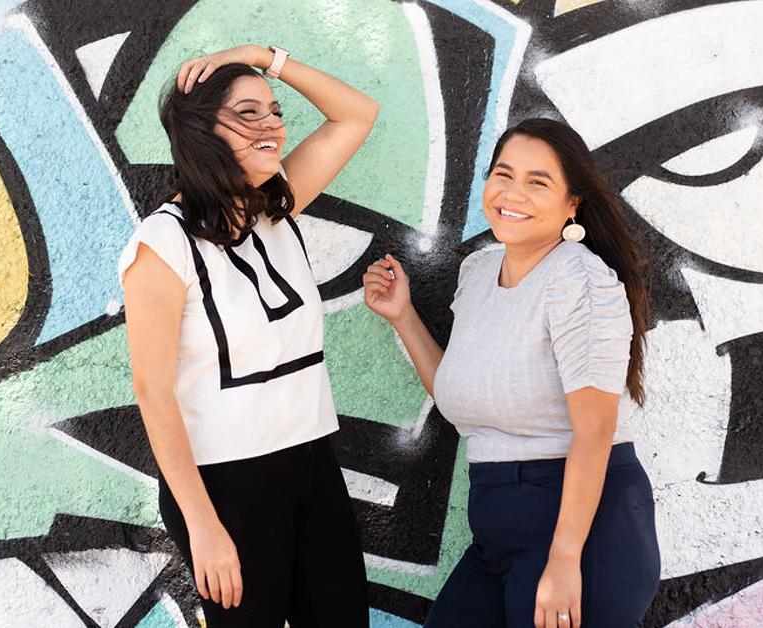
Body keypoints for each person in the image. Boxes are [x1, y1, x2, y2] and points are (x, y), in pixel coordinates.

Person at [363, 118, 660, 627]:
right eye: (503, 174)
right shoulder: (478, 273)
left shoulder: (579, 281)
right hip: (496, 527)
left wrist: (566, 560)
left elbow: (595, 431)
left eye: (537, 182)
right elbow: (464, 397)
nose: (512, 193)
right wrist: (403, 316)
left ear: (573, 204)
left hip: (579, 528)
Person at [119, 44, 378, 627]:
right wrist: (203, 527)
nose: (272, 127)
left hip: (312, 460)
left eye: (274, 111)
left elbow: (357, 114)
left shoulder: (274, 208)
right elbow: (153, 391)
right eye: (247, 113)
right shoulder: (162, 245)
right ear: (200, 131)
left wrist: (266, 56)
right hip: (226, 484)